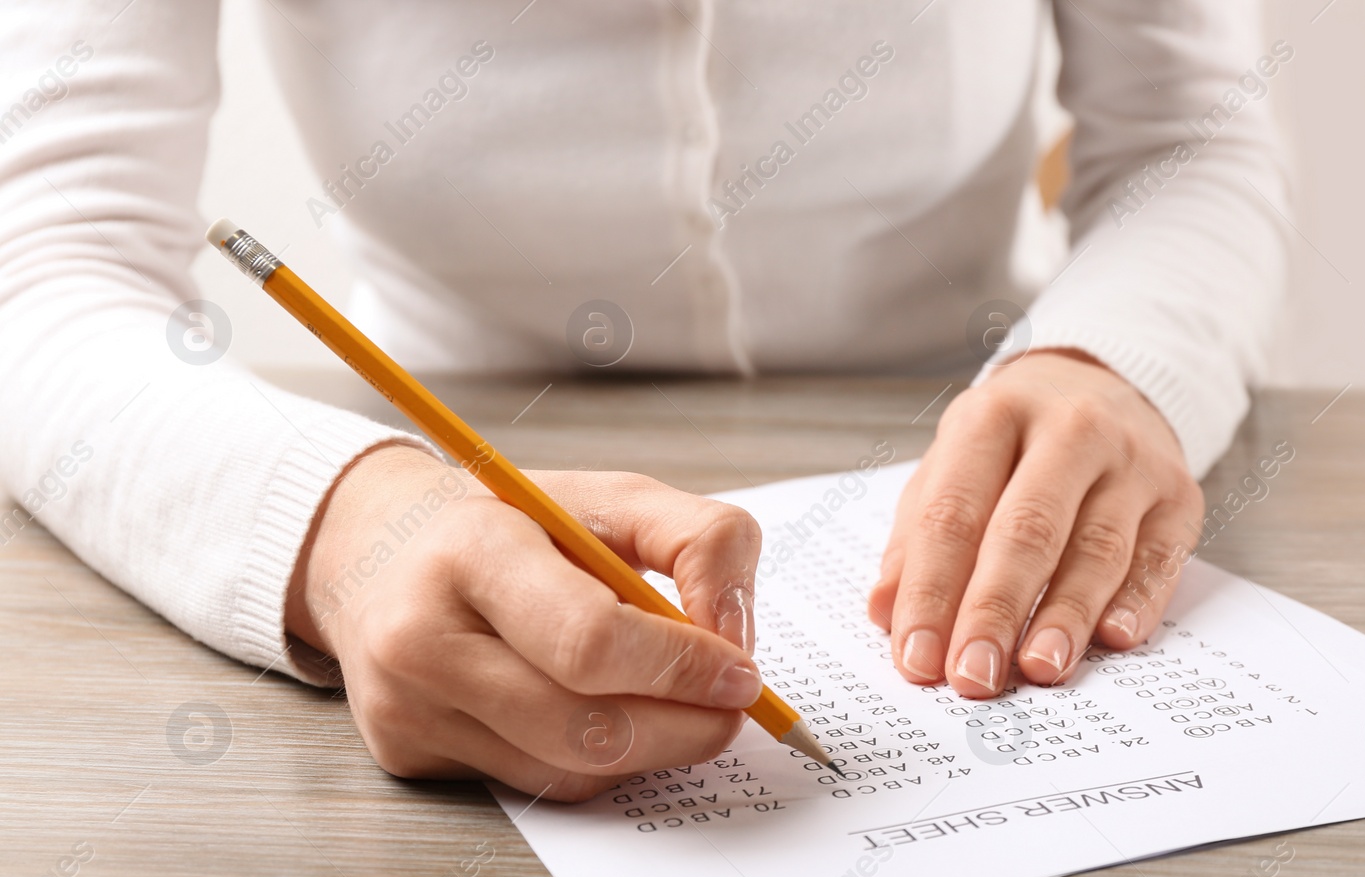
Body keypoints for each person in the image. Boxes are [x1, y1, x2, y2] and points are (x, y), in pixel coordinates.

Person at [0, 1, 1285, 800]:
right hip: (456, 454)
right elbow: (39, 262)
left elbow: (1192, 133)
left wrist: (1113, 361)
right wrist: (345, 526)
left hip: (968, 406)